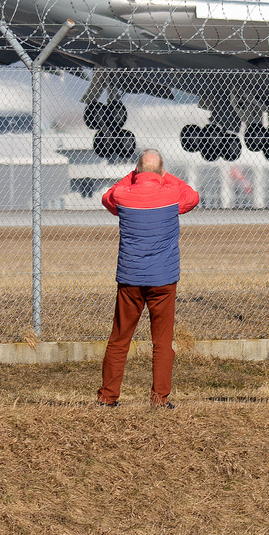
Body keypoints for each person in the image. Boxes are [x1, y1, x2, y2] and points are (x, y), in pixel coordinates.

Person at [97, 148, 201, 407]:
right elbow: (193, 196)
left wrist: (134, 176)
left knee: (119, 339)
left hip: (130, 278)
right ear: (161, 170)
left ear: (137, 170)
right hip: (163, 279)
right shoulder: (172, 193)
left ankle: (108, 396)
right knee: (163, 342)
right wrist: (164, 176)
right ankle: (160, 398)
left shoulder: (123, 193)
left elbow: (107, 198)